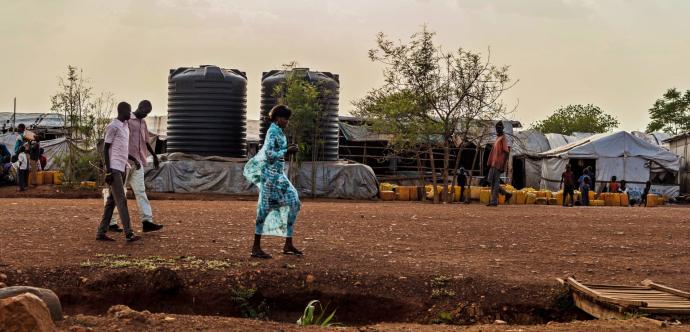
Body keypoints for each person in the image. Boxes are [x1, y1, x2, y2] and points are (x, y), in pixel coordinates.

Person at [243, 105, 302, 259]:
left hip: (278, 175)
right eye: (285, 118)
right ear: (278, 118)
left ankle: (288, 243)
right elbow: (269, 154)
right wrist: (286, 151)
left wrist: (287, 149)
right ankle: (256, 247)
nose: (287, 122)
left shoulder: (279, 132)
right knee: (264, 208)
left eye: (288, 119)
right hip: (269, 176)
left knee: (294, 202)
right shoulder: (272, 131)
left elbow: (276, 152)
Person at [107, 100, 163, 233]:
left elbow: (146, 141)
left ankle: (147, 221)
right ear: (140, 107)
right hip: (124, 163)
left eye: (148, 114)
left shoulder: (143, 123)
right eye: (144, 112)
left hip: (138, 163)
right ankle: (111, 222)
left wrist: (154, 155)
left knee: (141, 191)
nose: (145, 115)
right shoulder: (127, 120)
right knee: (117, 193)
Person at [96, 102, 141, 243]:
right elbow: (105, 148)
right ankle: (129, 233)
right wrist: (108, 170)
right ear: (122, 112)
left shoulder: (125, 127)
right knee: (121, 200)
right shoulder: (113, 126)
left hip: (122, 167)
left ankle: (101, 233)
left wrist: (134, 159)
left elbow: (122, 150)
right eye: (129, 111)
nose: (130, 113)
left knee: (111, 202)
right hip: (114, 168)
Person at [486, 122, 512, 207]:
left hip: (498, 163)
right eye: (497, 128)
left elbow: (506, 151)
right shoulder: (497, 137)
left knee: (495, 182)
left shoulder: (503, 138)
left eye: (500, 128)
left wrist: (503, 164)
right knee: (491, 181)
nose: (498, 129)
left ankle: (494, 201)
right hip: (493, 162)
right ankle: (506, 194)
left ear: (502, 128)